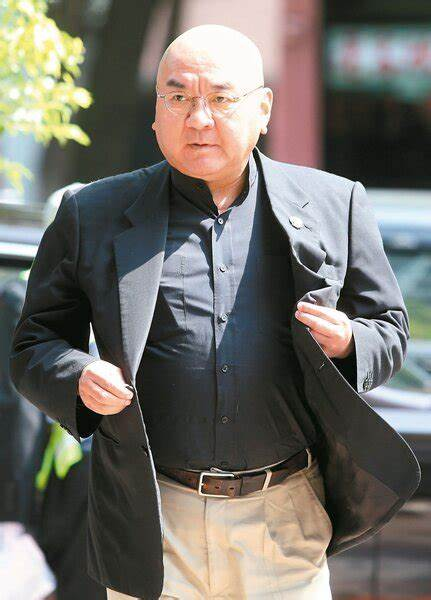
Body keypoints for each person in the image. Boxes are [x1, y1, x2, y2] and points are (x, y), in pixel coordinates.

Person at [10, 24, 420, 600]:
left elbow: (390, 329)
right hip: (153, 514)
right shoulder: (92, 213)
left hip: (285, 513)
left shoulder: (334, 203)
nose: (199, 119)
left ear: (263, 109)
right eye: (178, 97)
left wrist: (351, 341)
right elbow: (34, 344)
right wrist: (77, 375)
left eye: (222, 99)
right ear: (156, 113)